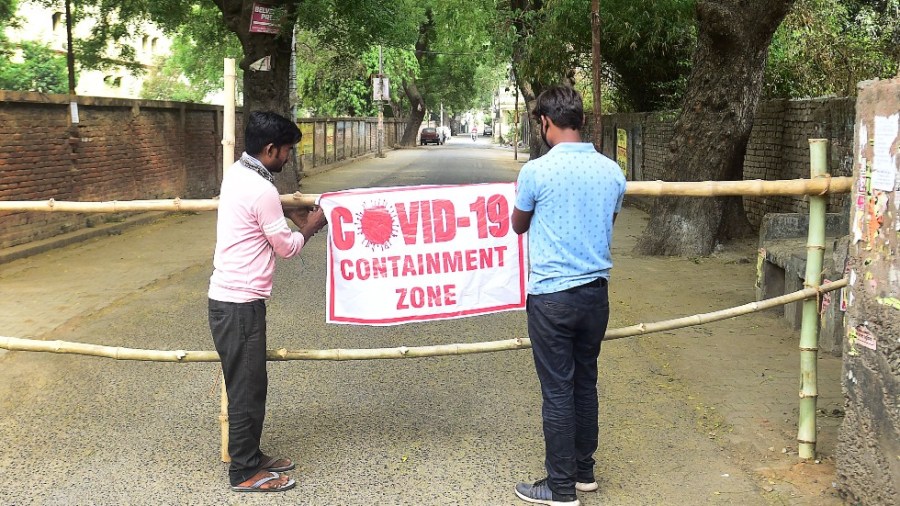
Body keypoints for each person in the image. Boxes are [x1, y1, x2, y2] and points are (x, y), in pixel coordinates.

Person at [511, 86, 626, 506]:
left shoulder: (536, 172)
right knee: (586, 382)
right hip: (596, 296)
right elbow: (608, 220)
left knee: (558, 390)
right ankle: (584, 472)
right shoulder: (612, 171)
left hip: (552, 300)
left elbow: (518, 225)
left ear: (545, 121)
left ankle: (560, 490)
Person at [208, 111, 327, 493]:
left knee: (251, 384)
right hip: (239, 303)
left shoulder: (239, 174)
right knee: (245, 387)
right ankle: (243, 472)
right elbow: (288, 247)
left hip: (233, 300)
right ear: (271, 148)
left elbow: (264, 217)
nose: (289, 158)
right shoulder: (260, 189)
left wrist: (288, 212)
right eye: (287, 150)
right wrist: (312, 225)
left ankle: (251, 455)